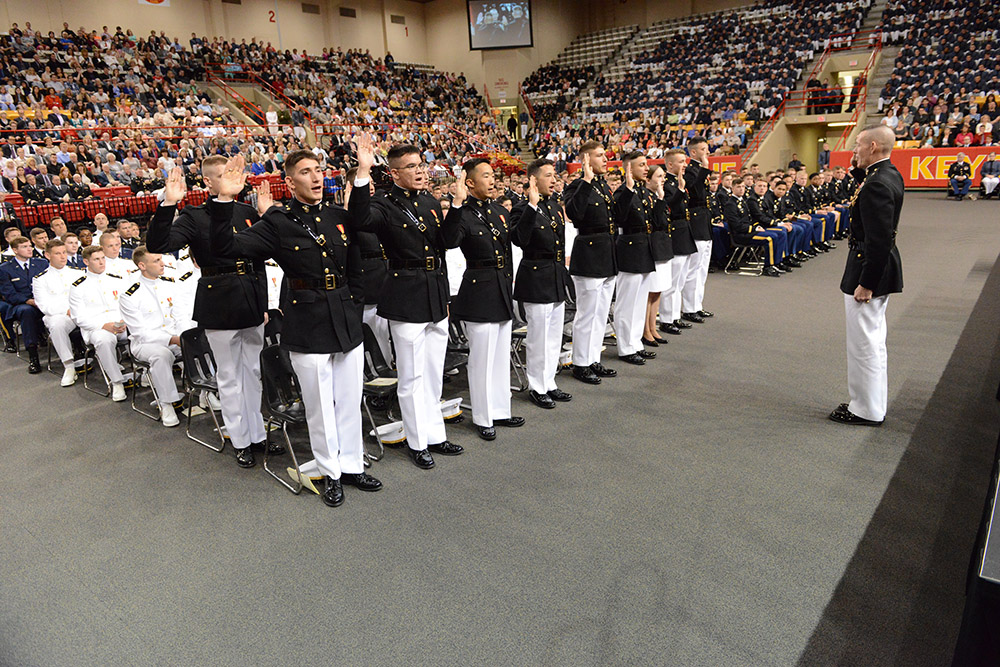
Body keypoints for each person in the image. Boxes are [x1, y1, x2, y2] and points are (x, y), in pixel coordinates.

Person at [210, 151, 383, 508]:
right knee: (320, 405)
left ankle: (351, 464)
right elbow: (227, 248)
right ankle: (329, 471)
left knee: (351, 398)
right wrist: (226, 199)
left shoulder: (338, 216)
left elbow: (356, 266)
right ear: (290, 182)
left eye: (319, 170)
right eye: (306, 172)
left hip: (345, 317)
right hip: (308, 321)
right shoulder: (278, 223)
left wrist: (354, 303)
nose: (316, 177)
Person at [147, 158, 273, 467]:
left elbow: (260, 261)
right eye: (224, 175)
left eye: (235, 173)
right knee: (229, 376)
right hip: (220, 300)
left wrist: (265, 304)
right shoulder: (193, 215)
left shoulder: (246, 212)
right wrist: (168, 204)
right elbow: (158, 243)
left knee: (254, 372)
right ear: (208, 183)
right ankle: (240, 440)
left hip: (253, 298)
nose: (233, 178)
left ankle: (258, 434)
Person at [347, 142, 464, 469]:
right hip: (405, 294)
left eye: (421, 164)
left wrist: (455, 207)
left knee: (433, 374)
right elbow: (359, 221)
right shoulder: (383, 204)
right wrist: (362, 172)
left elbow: (448, 243)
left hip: (435, 294)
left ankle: (435, 434)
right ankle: (417, 441)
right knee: (412, 377)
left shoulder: (428, 201)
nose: (420, 170)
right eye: (411, 166)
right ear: (394, 173)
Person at [444, 158, 524, 440]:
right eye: (486, 176)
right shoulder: (463, 214)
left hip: (501, 288)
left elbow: (508, 252)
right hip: (478, 292)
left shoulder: (499, 211)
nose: (492, 180)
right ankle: (482, 415)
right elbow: (450, 240)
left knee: (501, 355)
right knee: (481, 359)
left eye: (493, 175)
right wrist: (455, 204)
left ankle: (500, 410)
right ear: (470, 182)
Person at [830, 125, 904, 426]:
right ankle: (873, 404)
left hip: (868, 267)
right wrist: (860, 175)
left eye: (858, 145)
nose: (854, 150)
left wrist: (867, 283)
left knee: (863, 345)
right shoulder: (887, 174)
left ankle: (865, 410)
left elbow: (878, 239)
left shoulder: (876, 184)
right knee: (873, 341)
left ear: (873, 146)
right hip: (877, 264)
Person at [510, 158, 573, 410]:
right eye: (548, 175)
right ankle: (537, 386)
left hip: (555, 274)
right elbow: (519, 239)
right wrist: (532, 207)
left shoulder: (555, 206)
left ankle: (549, 381)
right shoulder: (522, 208)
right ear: (534, 180)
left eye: (554, 175)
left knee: (554, 335)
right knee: (538, 337)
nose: (554, 179)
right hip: (536, 277)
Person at [564, 140, 618, 385]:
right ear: (586, 160)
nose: (605, 159)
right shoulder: (578, 185)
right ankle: (580, 362)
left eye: (604, 155)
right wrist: (585, 180)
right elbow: (575, 213)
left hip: (606, 253)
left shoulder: (602, 186)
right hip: (588, 254)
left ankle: (593, 357)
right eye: (599, 155)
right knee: (587, 313)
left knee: (601, 313)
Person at [119, 246, 185, 428]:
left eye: (160, 259)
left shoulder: (170, 284)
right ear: (142, 265)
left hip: (174, 337)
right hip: (145, 344)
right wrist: (173, 339)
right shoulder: (129, 295)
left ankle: (206, 394)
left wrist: (185, 335)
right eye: (156, 261)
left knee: (203, 342)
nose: (162, 263)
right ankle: (166, 404)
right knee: (161, 355)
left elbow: (181, 315)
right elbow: (141, 333)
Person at [612, 151, 659, 365]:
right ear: (629, 169)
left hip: (644, 249)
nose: (646, 168)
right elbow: (619, 217)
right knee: (627, 303)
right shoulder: (624, 192)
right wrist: (629, 188)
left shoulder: (643, 191)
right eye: (641, 165)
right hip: (630, 250)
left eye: (646, 164)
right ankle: (625, 347)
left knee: (640, 302)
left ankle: (635, 342)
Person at [343, 166, 391, 365]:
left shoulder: (379, 209)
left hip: (385, 275)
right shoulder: (345, 214)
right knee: (371, 333)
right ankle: (374, 369)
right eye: (365, 182)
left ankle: (388, 366)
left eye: (372, 183)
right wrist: (347, 209)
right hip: (366, 280)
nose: (370, 187)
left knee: (386, 334)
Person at [68, 245, 128, 401]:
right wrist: (104, 325)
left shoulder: (116, 280)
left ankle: (144, 371)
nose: (102, 262)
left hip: (123, 324)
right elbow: (78, 317)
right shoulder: (78, 286)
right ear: (86, 261)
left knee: (144, 329)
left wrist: (126, 321)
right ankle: (117, 382)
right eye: (96, 259)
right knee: (103, 339)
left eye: (103, 258)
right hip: (97, 328)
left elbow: (129, 304)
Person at [32, 238, 84, 386]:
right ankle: (69, 365)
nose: (63, 257)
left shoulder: (77, 273)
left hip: (80, 312)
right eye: (57, 253)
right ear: (48, 255)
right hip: (60, 315)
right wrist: (66, 310)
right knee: (56, 324)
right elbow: (44, 306)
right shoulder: (40, 279)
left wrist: (76, 309)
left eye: (64, 253)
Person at [658, 149, 697, 337]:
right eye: (681, 161)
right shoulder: (665, 182)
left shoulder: (678, 182)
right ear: (670, 164)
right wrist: (680, 190)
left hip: (684, 231)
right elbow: (668, 207)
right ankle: (666, 319)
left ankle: (674, 315)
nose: (685, 165)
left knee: (680, 280)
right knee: (672, 282)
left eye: (685, 161)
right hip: (674, 232)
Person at [0, 235, 48, 372]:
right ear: (15, 250)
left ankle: (77, 348)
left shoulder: (41, 263)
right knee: (26, 312)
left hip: (43, 301)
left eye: (30, 246)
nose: (29, 249)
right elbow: (9, 294)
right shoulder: (5, 268)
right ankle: (33, 355)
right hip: (21, 304)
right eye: (25, 247)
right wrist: (29, 301)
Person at [680, 136, 715, 324]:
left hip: (704, 220)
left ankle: (697, 305)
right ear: (693, 152)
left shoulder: (699, 169)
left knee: (702, 268)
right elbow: (692, 189)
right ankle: (689, 308)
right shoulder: (690, 169)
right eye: (703, 149)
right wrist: (704, 168)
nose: (706, 152)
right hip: (695, 220)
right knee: (693, 268)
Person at [724, 179, 786, 277]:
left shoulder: (742, 201)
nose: (741, 189)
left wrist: (756, 226)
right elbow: (737, 225)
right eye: (738, 187)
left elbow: (750, 219)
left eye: (743, 187)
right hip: (741, 235)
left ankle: (776, 263)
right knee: (770, 238)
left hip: (749, 231)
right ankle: (768, 267)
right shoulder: (730, 204)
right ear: (732, 188)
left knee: (777, 235)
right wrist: (754, 229)